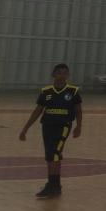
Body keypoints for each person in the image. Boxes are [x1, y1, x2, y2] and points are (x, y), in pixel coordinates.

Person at [18, 63, 82, 199]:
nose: (62, 76)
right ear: (54, 75)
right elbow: (37, 111)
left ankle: (51, 185)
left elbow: (78, 110)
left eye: (65, 73)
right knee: (51, 155)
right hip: (47, 126)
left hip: (63, 126)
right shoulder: (46, 91)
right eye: (60, 73)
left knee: (54, 154)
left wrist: (78, 126)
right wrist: (25, 129)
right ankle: (56, 185)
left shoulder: (73, 91)